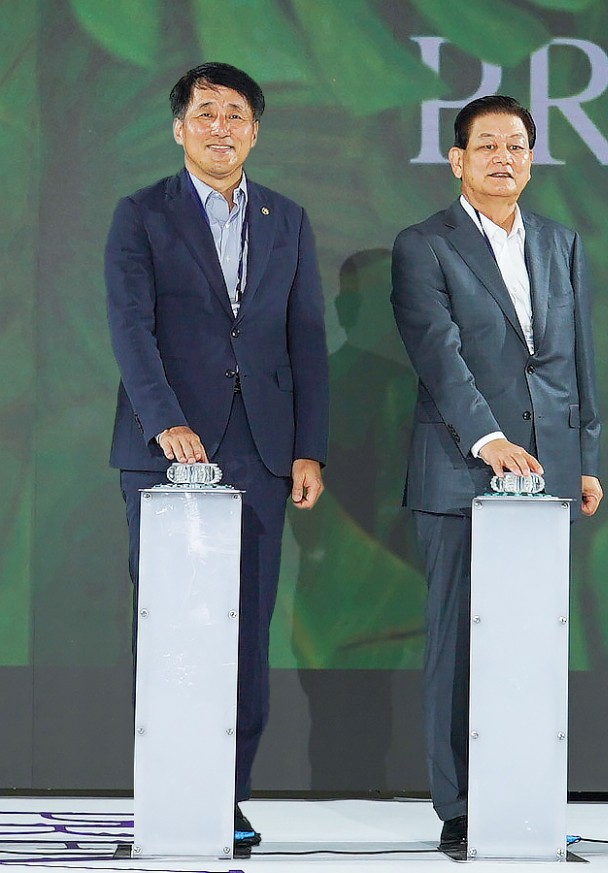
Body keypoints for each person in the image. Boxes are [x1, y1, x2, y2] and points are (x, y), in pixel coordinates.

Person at [105, 62, 329, 852]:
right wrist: (164, 422)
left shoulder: (286, 218)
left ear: (255, 130)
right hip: (164, 453)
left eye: (236, 113)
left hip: (261, 451)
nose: (221, 126)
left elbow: (305, 338)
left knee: (245, 633)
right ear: (180, 128)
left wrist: (308, 448)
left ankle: (227, 798)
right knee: (170, 629)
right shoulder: (141, 216)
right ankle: (165, 793)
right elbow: (130, 329)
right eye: (206, 112)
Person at [390, 95, 602, 860]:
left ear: (532, 160)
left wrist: (585, 457)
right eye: (486, 145)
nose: (503, 157)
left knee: (533, 642)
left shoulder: (560, 242)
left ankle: (525, 790)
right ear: (457, 160)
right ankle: (458, 804)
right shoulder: (425, 244)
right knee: (459, 642)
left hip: (546, 476)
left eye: (516, 145)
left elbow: (575, 360)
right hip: (459, 471)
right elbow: (437, 353)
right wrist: (488, 438)